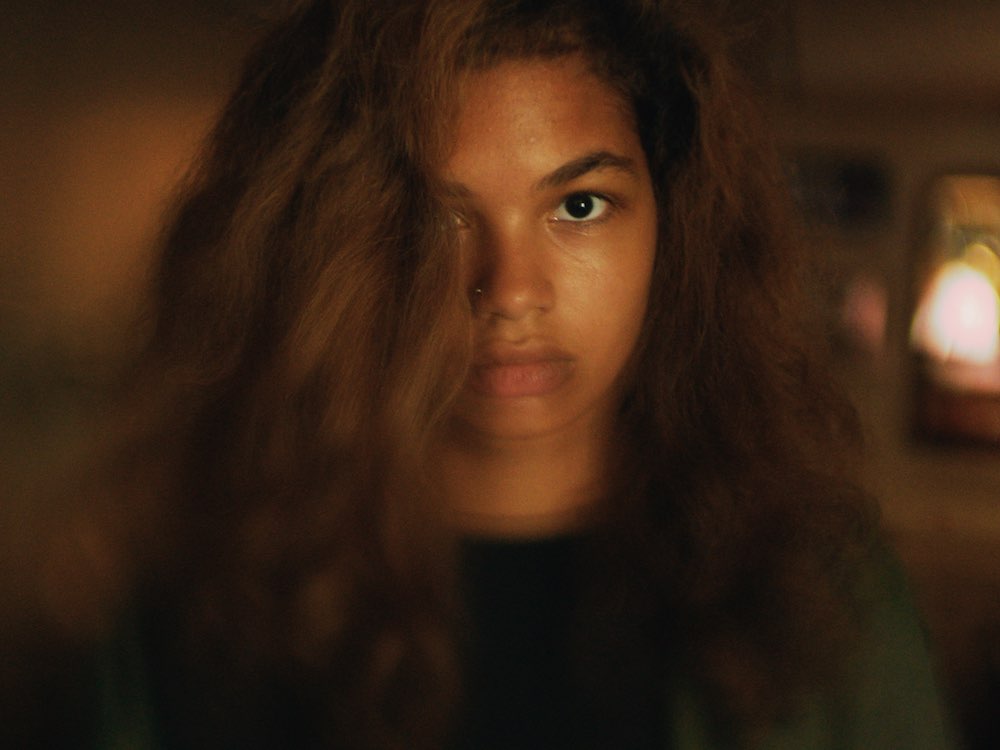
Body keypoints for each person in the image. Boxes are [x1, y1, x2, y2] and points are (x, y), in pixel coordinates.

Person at [43, 0, 954, 747]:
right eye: (434, 219)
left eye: (579, 205)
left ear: (673, 226)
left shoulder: (822, 599)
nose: (510, 291)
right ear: (327, 245)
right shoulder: (201, 618)